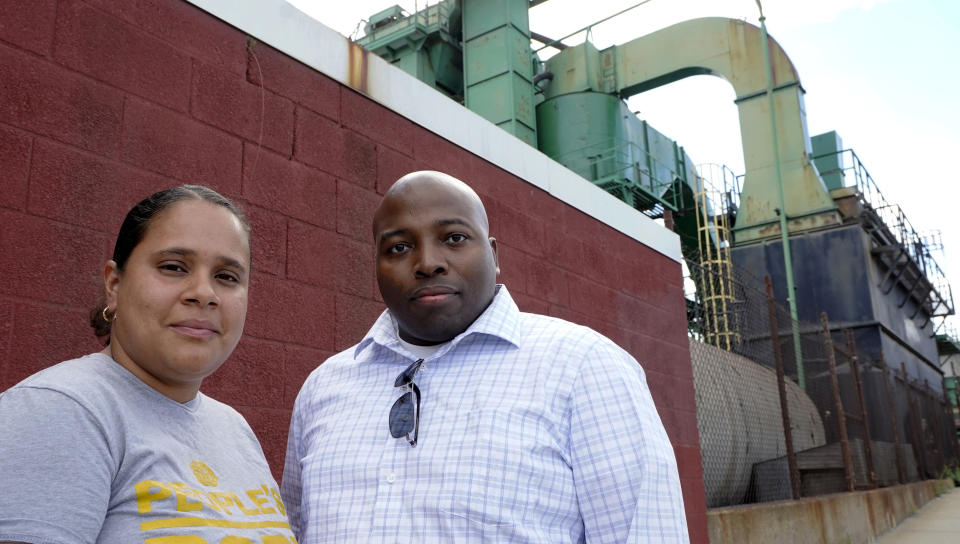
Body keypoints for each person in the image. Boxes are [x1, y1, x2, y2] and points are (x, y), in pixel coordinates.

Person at [282, 171, 689, 543]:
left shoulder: (585, 367)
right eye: (399, 247)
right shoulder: (323, 389)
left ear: (494, 255)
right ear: (376, 265)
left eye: (454, 238)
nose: (427, 263)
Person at [0, 185, 296, 544]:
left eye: (227, 276)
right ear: (114, 284)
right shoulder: (62, 410)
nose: (204, 292)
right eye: (173, 267)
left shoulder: (234, 429)